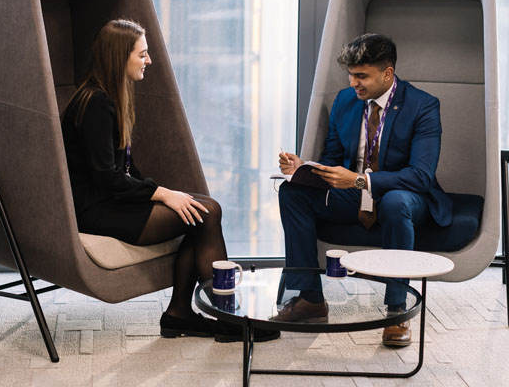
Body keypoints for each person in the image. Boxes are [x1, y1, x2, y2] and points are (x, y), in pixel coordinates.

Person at [61, 19, 279, 343]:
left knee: (200, 210)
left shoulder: (109, 96)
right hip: (97, 208)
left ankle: (181, 314)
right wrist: (161, 194)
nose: (149, 60)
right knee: (206, 213)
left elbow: (126, 169)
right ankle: (224, 316)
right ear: (120, 57)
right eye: (142, 54)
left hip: (110, 199)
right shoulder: (95, 103)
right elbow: (107, 179)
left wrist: (167, 194)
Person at [275, 33, 452, 346]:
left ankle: (396, 312)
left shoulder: (422, 105)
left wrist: (359, 181)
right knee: (292, 194)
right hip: (353, 193)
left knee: (396, 203)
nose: (354, 83)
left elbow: (420, 175)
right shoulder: (345, 101)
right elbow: (332, 162)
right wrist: (305, 168)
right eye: (351, 75)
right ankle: (310, 300)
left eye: (362, 76)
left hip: (405, 195)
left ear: (387, 73)